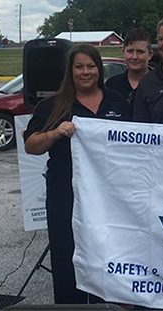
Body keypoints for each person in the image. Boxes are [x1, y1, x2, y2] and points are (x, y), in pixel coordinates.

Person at [24, 44, 130, 304]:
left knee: (109, 252)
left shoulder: (117, 101)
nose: (86, 72)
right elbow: (31, 146)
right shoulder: (52, 105)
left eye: (91, 66)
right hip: (65, 197)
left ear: (99, 70)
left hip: (109, 197)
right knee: (66, 257)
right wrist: (55, 133)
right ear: (70, 71)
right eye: (79, 67)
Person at [105, 29, 154, 111]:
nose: (134, 57)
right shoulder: (112, 85)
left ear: (150, 55)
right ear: (123, 53)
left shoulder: (161, 85)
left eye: (140, 52)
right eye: (130, 51)